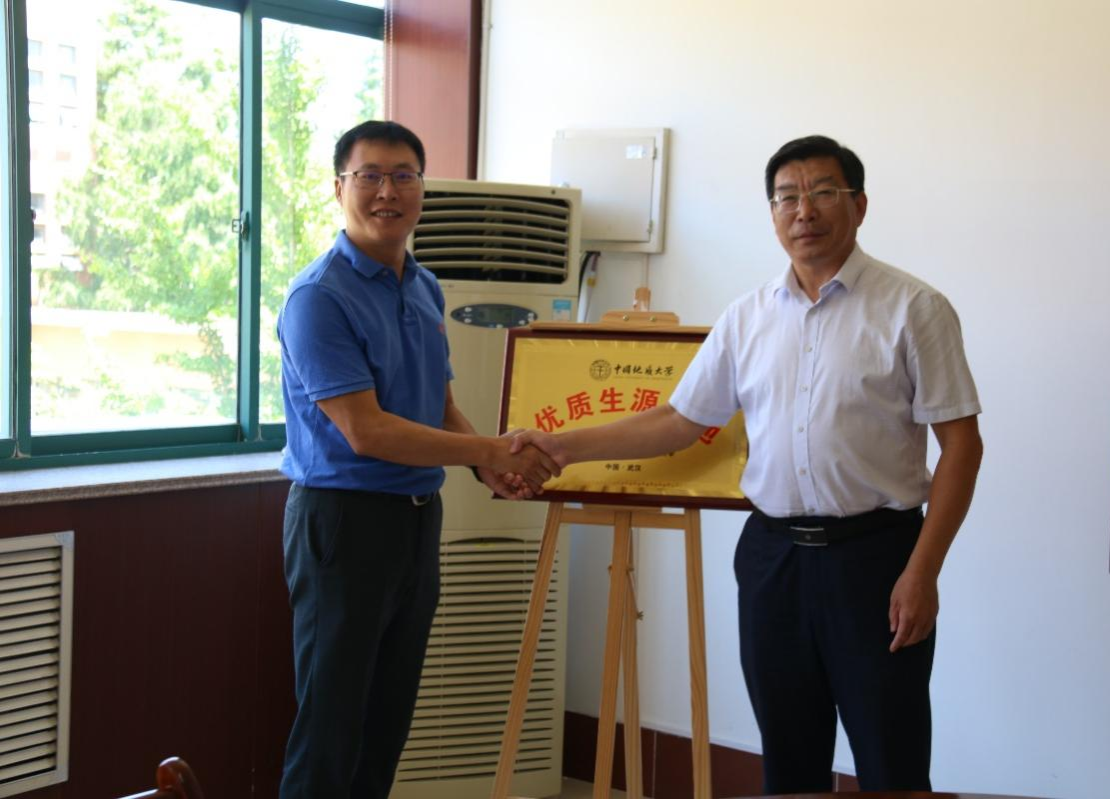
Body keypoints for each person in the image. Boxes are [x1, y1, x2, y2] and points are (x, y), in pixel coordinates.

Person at [511, 135, 983, 792]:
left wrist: (922, 571)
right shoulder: (747, 317)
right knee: (788, 758)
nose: (804, 210)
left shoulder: (914, 308)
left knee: (891, 757)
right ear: (772, 213)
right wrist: (566, 446)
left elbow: (962, 445)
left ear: (859, 205)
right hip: (772, 559)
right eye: (787, 197)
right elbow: (679, 420)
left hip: (876, 560)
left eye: (823, 192)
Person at [275, 119, 559, 799]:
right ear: (339, 187)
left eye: (403, 176)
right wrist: (489, 448)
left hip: (415, 519)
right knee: (331, 725)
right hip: (342, 522)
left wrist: (486, 466)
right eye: (369, 176)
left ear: (422, 188)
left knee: (388, 718)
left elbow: (438, 402)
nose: (387, 192)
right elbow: (367, 431)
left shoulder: (424, 285)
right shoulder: (318, 298)